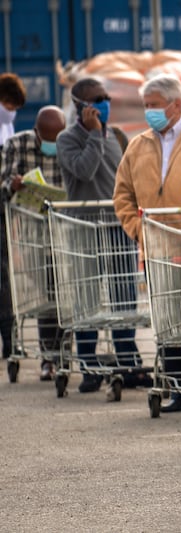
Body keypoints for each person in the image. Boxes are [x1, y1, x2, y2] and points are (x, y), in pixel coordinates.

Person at [113, 73, 181, 411]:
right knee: (169, 323)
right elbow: (122, 193)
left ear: (176, 105)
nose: (148, 112)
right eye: (146, 105)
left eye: (153, 105)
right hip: (157, 251)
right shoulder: (138, 144)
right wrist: (139, 230)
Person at [56, 77, 143, 393]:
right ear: (81, 107)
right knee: (87, 297)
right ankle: (90, 368)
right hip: (85, 229)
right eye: (97, 99)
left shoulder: (117, 136)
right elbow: (83, 171)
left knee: (124, 295)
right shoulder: (68, 139)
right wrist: (93, 135)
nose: (104, 103)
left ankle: (127, 362)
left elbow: (125, 180)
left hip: (117, 226)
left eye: (106, 97)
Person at [0, 105, 67, 380]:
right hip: (31, 234)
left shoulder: (68, 144)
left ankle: (62, 354)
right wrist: (13, 185)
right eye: (49, 138)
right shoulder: (17, 144)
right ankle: (49, 358)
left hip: (63, 232)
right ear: (37, 132)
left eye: (58, 138)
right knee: (45, 297)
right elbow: (2, 183)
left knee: (63, 296)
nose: (53, 144)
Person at [0, 72, 26, 363]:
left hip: (3, 210)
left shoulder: (6, 130)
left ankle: (9, 339)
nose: (11, 112)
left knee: (5, 278)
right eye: (7, 104)